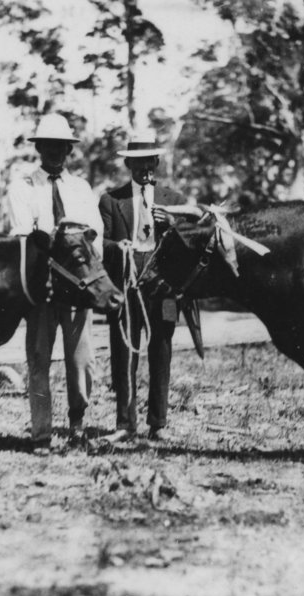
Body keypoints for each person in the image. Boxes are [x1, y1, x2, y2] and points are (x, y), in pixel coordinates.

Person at [5, 112, 103, 450]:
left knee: (82, 363)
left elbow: (94, 238)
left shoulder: (81, 188)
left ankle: (77, 426)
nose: (55, 152)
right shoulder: (23, 187)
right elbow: (22, 236)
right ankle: (42, 433)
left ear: (69, 149)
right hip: (42, 289)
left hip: (76, 288)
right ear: (39, 148)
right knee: (39, 360)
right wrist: (44, 237)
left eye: (61, 146)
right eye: (48, 145)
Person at [99, 132, 201, 444]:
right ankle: (125, 424)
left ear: (157, 162)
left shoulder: (173, 200)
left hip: (164, 285)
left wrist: (172, 225)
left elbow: (194, 237)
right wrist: (119, 247)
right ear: (129, 163)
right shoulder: (111, 201)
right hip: (128, 285)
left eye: (150, 161)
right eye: (139, 161)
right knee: (124, 352)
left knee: (162, 350)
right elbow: (98, 244)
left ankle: (158, 424)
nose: (146, 167)